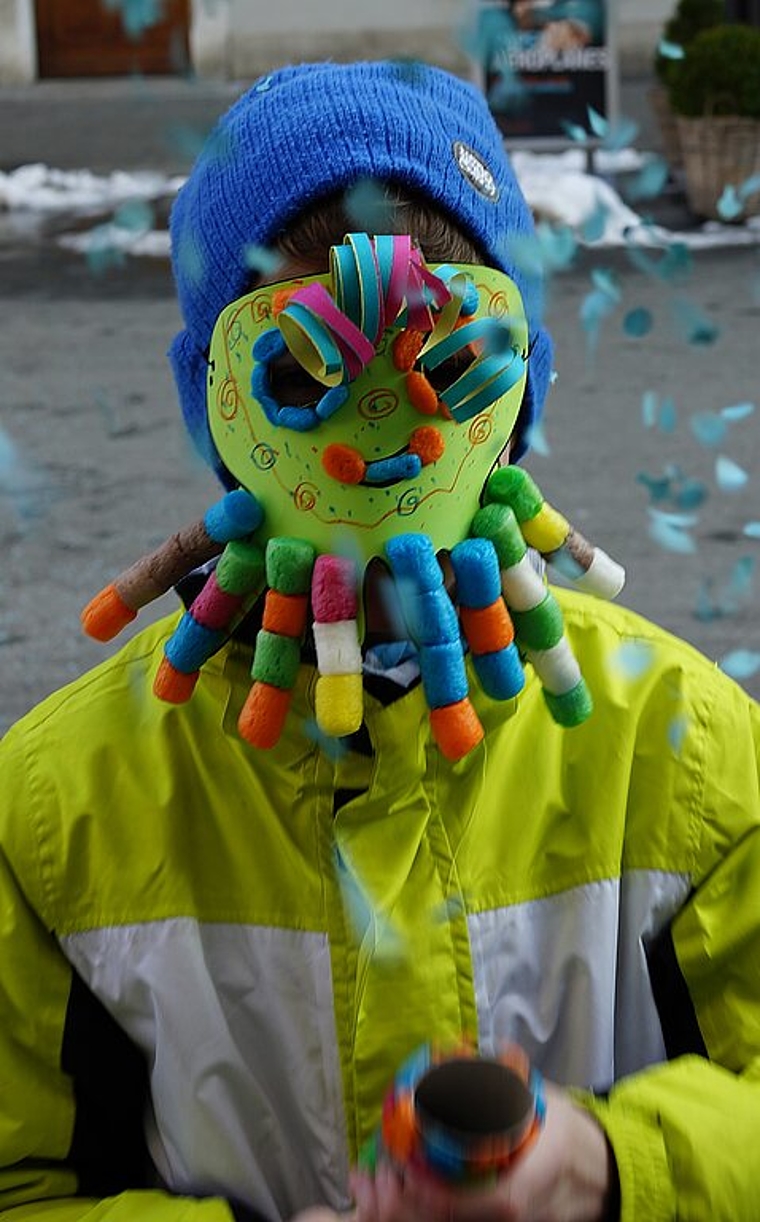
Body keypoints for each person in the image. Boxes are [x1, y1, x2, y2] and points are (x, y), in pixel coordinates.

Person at [0, 59, 758, 1222]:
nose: (384, 451)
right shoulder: (56, 812)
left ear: (520, 392)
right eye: (302, 374)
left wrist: (615, 1167)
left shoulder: (688, 749)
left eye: (447, 366)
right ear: (221, 409)